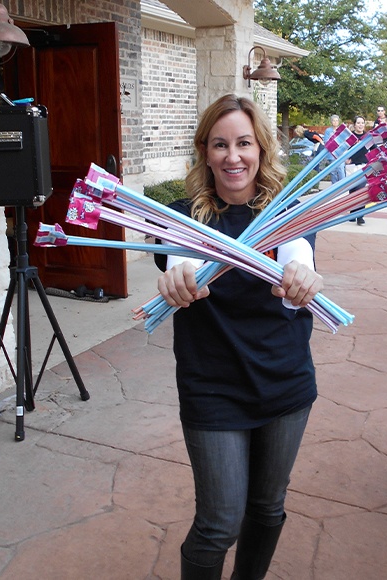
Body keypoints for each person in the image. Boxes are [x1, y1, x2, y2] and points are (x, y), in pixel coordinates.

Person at [156, 94, 324, 580]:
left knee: (268, 508)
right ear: (205, 152)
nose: (234, 156)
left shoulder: (290, 214)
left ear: (261, 149)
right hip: (213, 388)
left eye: (244, 143)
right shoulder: (180, 215)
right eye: (221, 144)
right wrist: (177, 277)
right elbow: (179, 261)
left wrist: (304, 280)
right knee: (218, 523)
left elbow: (300, 267)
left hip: (285, 383)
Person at [345, 115, 369, 226]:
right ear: (354, 125)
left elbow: (374, 150)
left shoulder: (368, 137)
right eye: (358, 123)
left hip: (363, 167)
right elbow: (343, 149)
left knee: (361, 190)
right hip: (351, 167)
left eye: (362, 123)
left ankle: (360, 216)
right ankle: (353, 212)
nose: (360, 125)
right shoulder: (350, 137)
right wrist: (345, 159)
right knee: (353, 190)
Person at [323, 114, 346, 184]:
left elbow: (344, 140)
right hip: (331, 153)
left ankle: (343, 184)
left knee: (341, 169)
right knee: (333, 171)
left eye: (336, 121)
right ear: (331, 122)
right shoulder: (328, 131)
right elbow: (326, 141)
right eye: (334, 121)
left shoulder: (341, 130)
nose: (335, 122)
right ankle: (334, 185)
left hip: (340, 153)